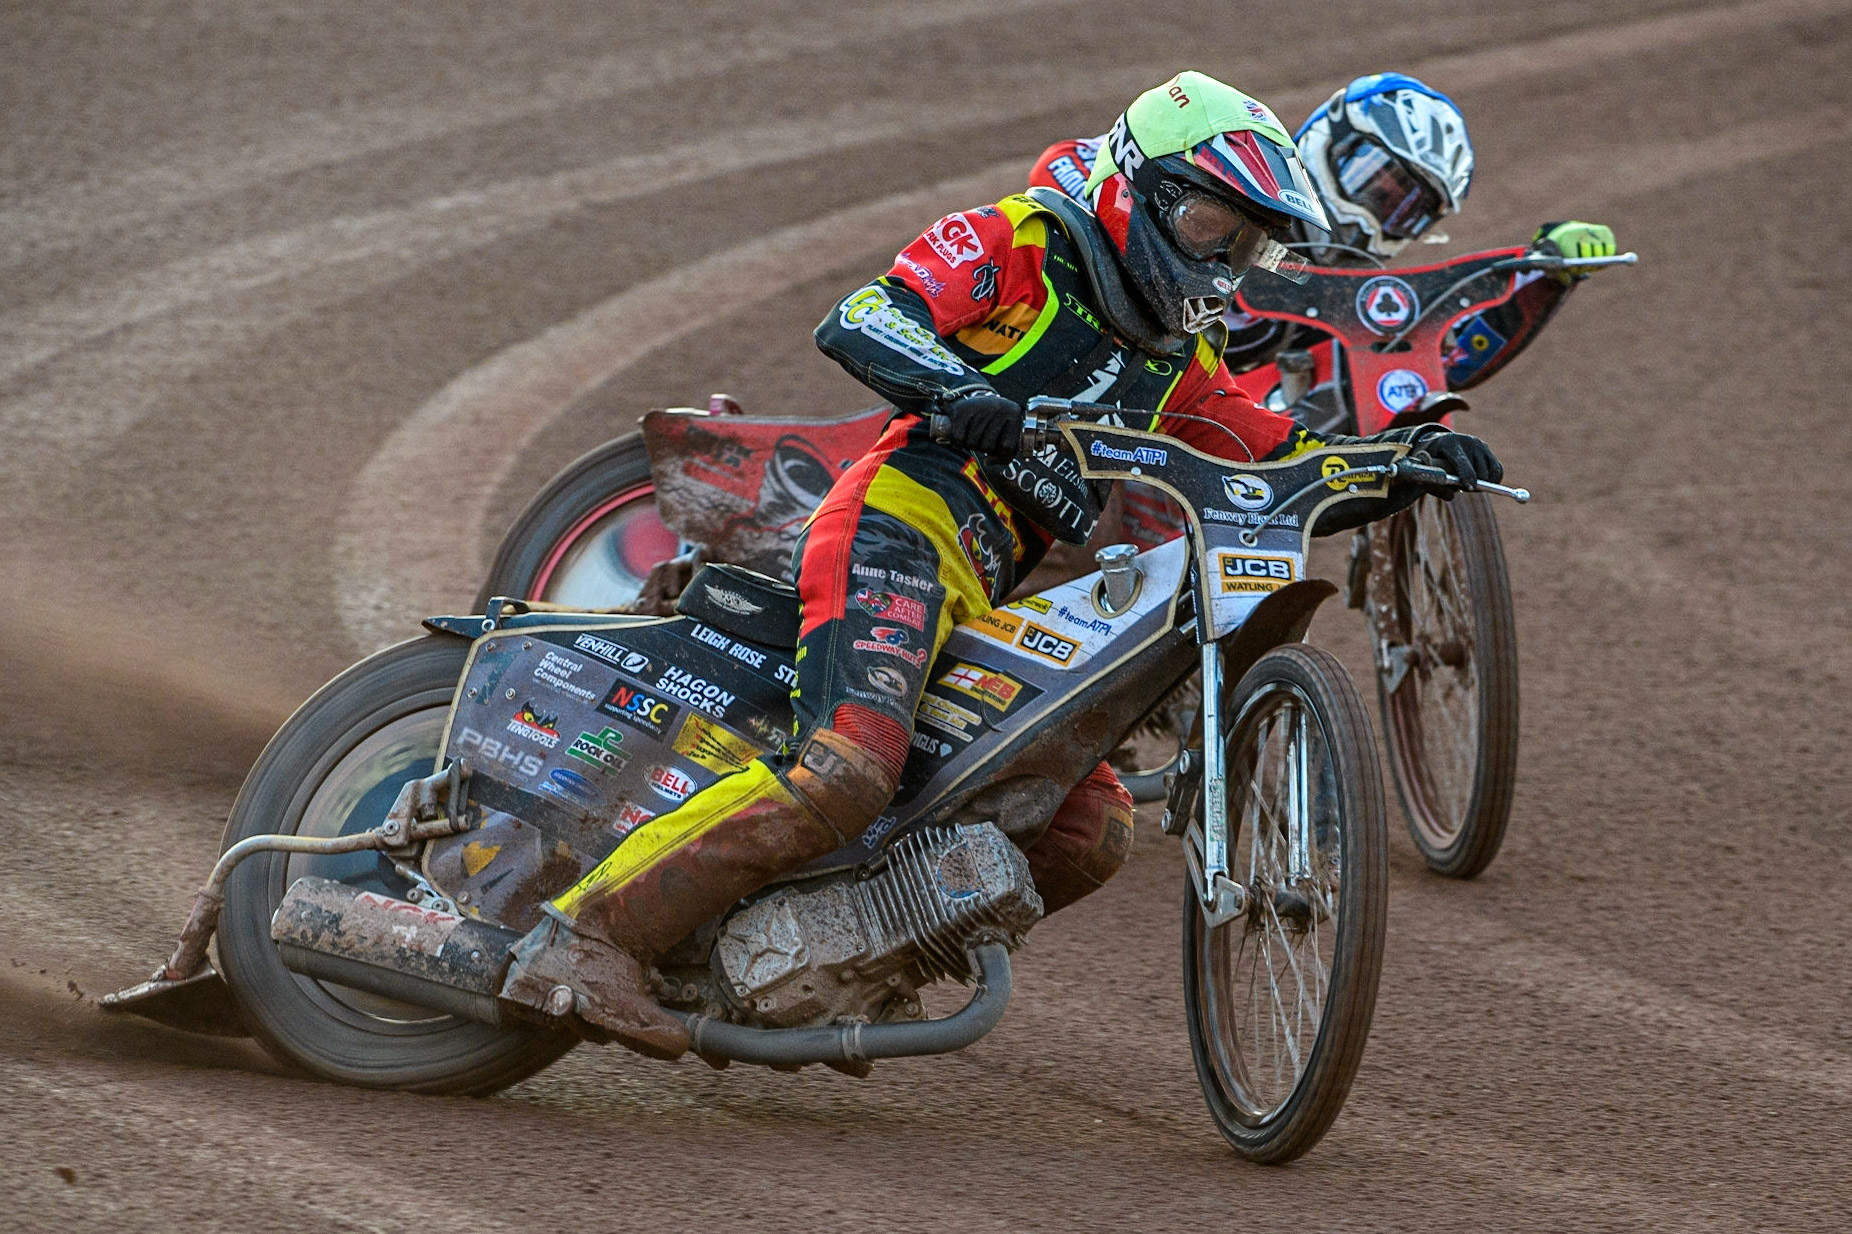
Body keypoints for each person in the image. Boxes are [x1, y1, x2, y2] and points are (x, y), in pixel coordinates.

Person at [497, 71, 1504, 1059]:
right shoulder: (1022, 241)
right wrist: (954, 387)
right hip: (897, 526)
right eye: (1210, 226)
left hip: (987, 592)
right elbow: (865, 315)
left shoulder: (1179, 363)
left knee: (1088, 827)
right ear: (1138, 187)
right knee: (847, 768)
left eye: (1245, 245)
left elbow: (1279, 456)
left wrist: (1406, 461)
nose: (1222, 262)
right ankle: (585, 937)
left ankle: (834, 956)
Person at [1028, 71, 1618, 389]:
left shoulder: (1351, 289)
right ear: (1329, 138)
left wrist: (1543, 282)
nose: (1376, 215)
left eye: (1406, 209)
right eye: (1377, 183)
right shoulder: (1236, 178)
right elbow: (1063, 162)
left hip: (1212, 418)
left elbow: (1447, 362)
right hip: (1089, 370)